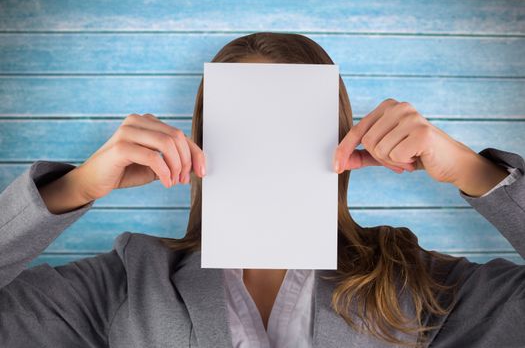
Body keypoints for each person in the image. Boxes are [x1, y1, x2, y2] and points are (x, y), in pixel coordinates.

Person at [0, 32, 523, 348]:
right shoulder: (127, 282)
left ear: (339, 136)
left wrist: (474, 172)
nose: (269, 146)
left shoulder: (415, 281)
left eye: (293, 121)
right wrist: (74, 186)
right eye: (244, 122)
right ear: (203, 139)